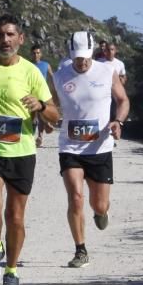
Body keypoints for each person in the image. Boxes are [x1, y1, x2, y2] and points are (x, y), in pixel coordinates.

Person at [0, 14, 60, 285]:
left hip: (22, 152)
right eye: (0, 35)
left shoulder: (32, 72)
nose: (5, 40)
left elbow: (54, 115)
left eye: (11, 35)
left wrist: (39, 106)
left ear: (20, 39)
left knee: (16, 217)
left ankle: (11, 271)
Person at [51, 31, 130, 268]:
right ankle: (80, 250)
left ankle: (101, 212)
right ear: (70, 54)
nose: (82, 62)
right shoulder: (60, 75)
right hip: (70, 146)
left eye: (85, 57)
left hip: (99, 148)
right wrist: (47, 117)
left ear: (92, 52)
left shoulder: (107, 72)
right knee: (75, 197)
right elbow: (50, 103)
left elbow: (123, 100)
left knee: (100, 204)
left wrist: (118, 121)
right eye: (77, 58)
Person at [30, 44, 54, 148]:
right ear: (31, 54)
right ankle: (31, 135)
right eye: (34, 53)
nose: (36, 55)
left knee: (41, 114)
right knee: (32, 116)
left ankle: (39, 136)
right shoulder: (28, 65)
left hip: (42, 92)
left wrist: (54, 89)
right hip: (30, 92)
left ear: (41, 54)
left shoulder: (46, 65)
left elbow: (52, 76)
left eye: (38, 53)